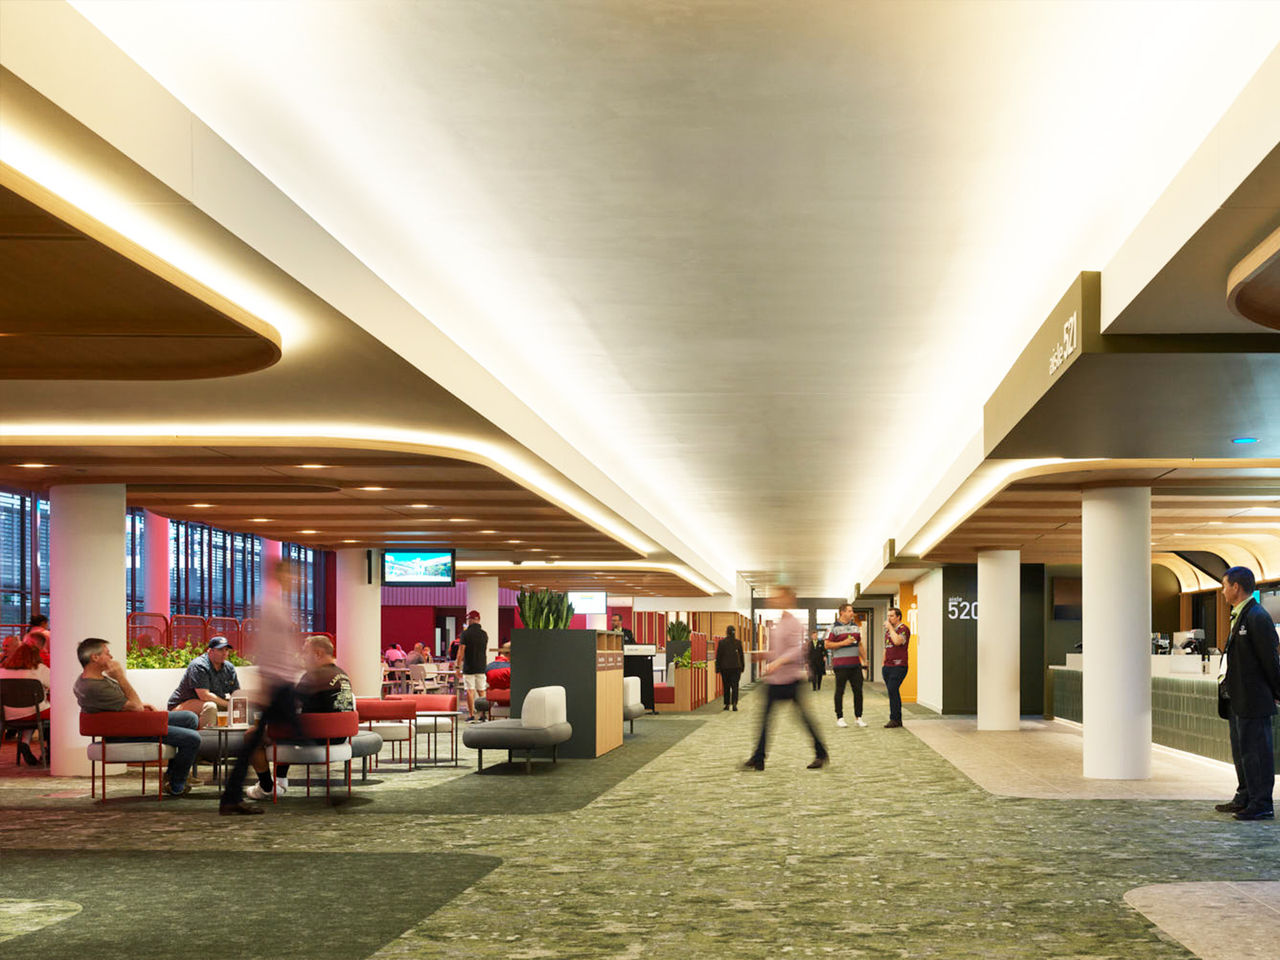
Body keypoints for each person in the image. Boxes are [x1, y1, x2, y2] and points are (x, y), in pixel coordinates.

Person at [73, 637, 201, 796]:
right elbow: (135, 707)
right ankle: (176, 784)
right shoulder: (94, 687)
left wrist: (142, 706)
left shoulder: (88, 679)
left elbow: (123, 705)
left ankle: (173, 774)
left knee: (190, 718)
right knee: (192, 738)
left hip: (128, 722)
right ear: (95, 657)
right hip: (124, 731)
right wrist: (120, 677)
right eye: (107, 653)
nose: (111, 657)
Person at [244, 635, 354, 802]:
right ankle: (280, 782)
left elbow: (288, 704)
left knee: (252, 735)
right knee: (285, 727)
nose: (302, 657)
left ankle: (266, 787)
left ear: (317, 653)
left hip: (317, 736)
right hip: (340, 737)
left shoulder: (314, 676)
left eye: (305, 652)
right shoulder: (342, 674)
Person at [1215, 566, 1280, 820]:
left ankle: (1261, 803)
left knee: (1256, 753)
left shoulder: (1257, 616)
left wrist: (1277, 690)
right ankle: (1245, 795)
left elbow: (1270, 660)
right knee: (1242, 751)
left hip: (1253, 699)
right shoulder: (1239, 615)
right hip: (1237, 699)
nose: (1222, 591)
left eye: (1224, 586)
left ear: (1236, 587)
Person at [744, 588, 828, 771]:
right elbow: (780, 650)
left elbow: (799, 650)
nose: (773, 599)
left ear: (788, 599)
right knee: (765, 718)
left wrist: (778, 661)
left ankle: (821, 752)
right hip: (775, 680)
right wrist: (765, 655)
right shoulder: (779, 622)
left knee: (804, 719)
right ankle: (759, 757)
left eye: (778, 596)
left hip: (790, 680)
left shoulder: (794, 624)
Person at [167, 636, 241, 728]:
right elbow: (204, 696)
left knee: (242, 706)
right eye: (220, 650)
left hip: (212, 701)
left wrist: (240, 704)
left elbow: (236, 693)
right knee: (210, 707)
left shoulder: (229, 668)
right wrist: (229, 704)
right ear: (210, 651)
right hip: (182, 705)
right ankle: (204, 740)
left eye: (226, 650)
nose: (224, 653)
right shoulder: (199, 665)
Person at [0, 639, 50, 765]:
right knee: (54, 715)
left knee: (30, 712)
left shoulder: (2, 671)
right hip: (33, 712)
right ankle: (50, 753)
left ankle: (24, 742)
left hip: (6, 715)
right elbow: (56, 685)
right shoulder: (39, 668)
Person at [826, 603, 865, 728]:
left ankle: (858, 717)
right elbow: (827, 645)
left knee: (858, 691)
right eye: (849, 611)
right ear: (842, 612)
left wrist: (865, 659)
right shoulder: (833, 627)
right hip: (841, 665)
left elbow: (860, 645)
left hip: (855, 665)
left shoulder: (855, 627)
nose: (851, 613)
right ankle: (840, 717)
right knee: (840, 691)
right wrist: (843, 643)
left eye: (852, 611)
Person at [456, 610, 489, 721]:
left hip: (469, 666)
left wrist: (457, 666)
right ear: (478, 620)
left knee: (470, 690)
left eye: (469, 619)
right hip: (481, 665)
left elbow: (461, 650)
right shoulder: (484, 634)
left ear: (470, 620)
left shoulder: (465, 634)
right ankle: (483, 714)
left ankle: (471, 715)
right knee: (481, 691)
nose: (468, 621)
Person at [882, 606, 911, 728]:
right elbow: (886, 647)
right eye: (888, 616)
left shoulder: (903, 629)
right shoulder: (889, 631)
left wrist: (890, 628)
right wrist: (883, 664)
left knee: (893, 689)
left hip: (899, 666)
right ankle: (897, 719)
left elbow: (898, 641)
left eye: (892, 616)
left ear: (898, 617)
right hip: (888, 666)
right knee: (892, 692)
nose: (889, 618)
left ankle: (894, 718)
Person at [715, 625, 745, 711]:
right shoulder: (738, 642)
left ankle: (727, 704)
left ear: (727, 632)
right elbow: (741, 656)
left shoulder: (722, 642)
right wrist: (742, 667)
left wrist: (717, 668)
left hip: (725, 668)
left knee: (726, 686)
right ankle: (734, 704)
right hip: (736, 667)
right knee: (735, 686)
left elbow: (718, 656)